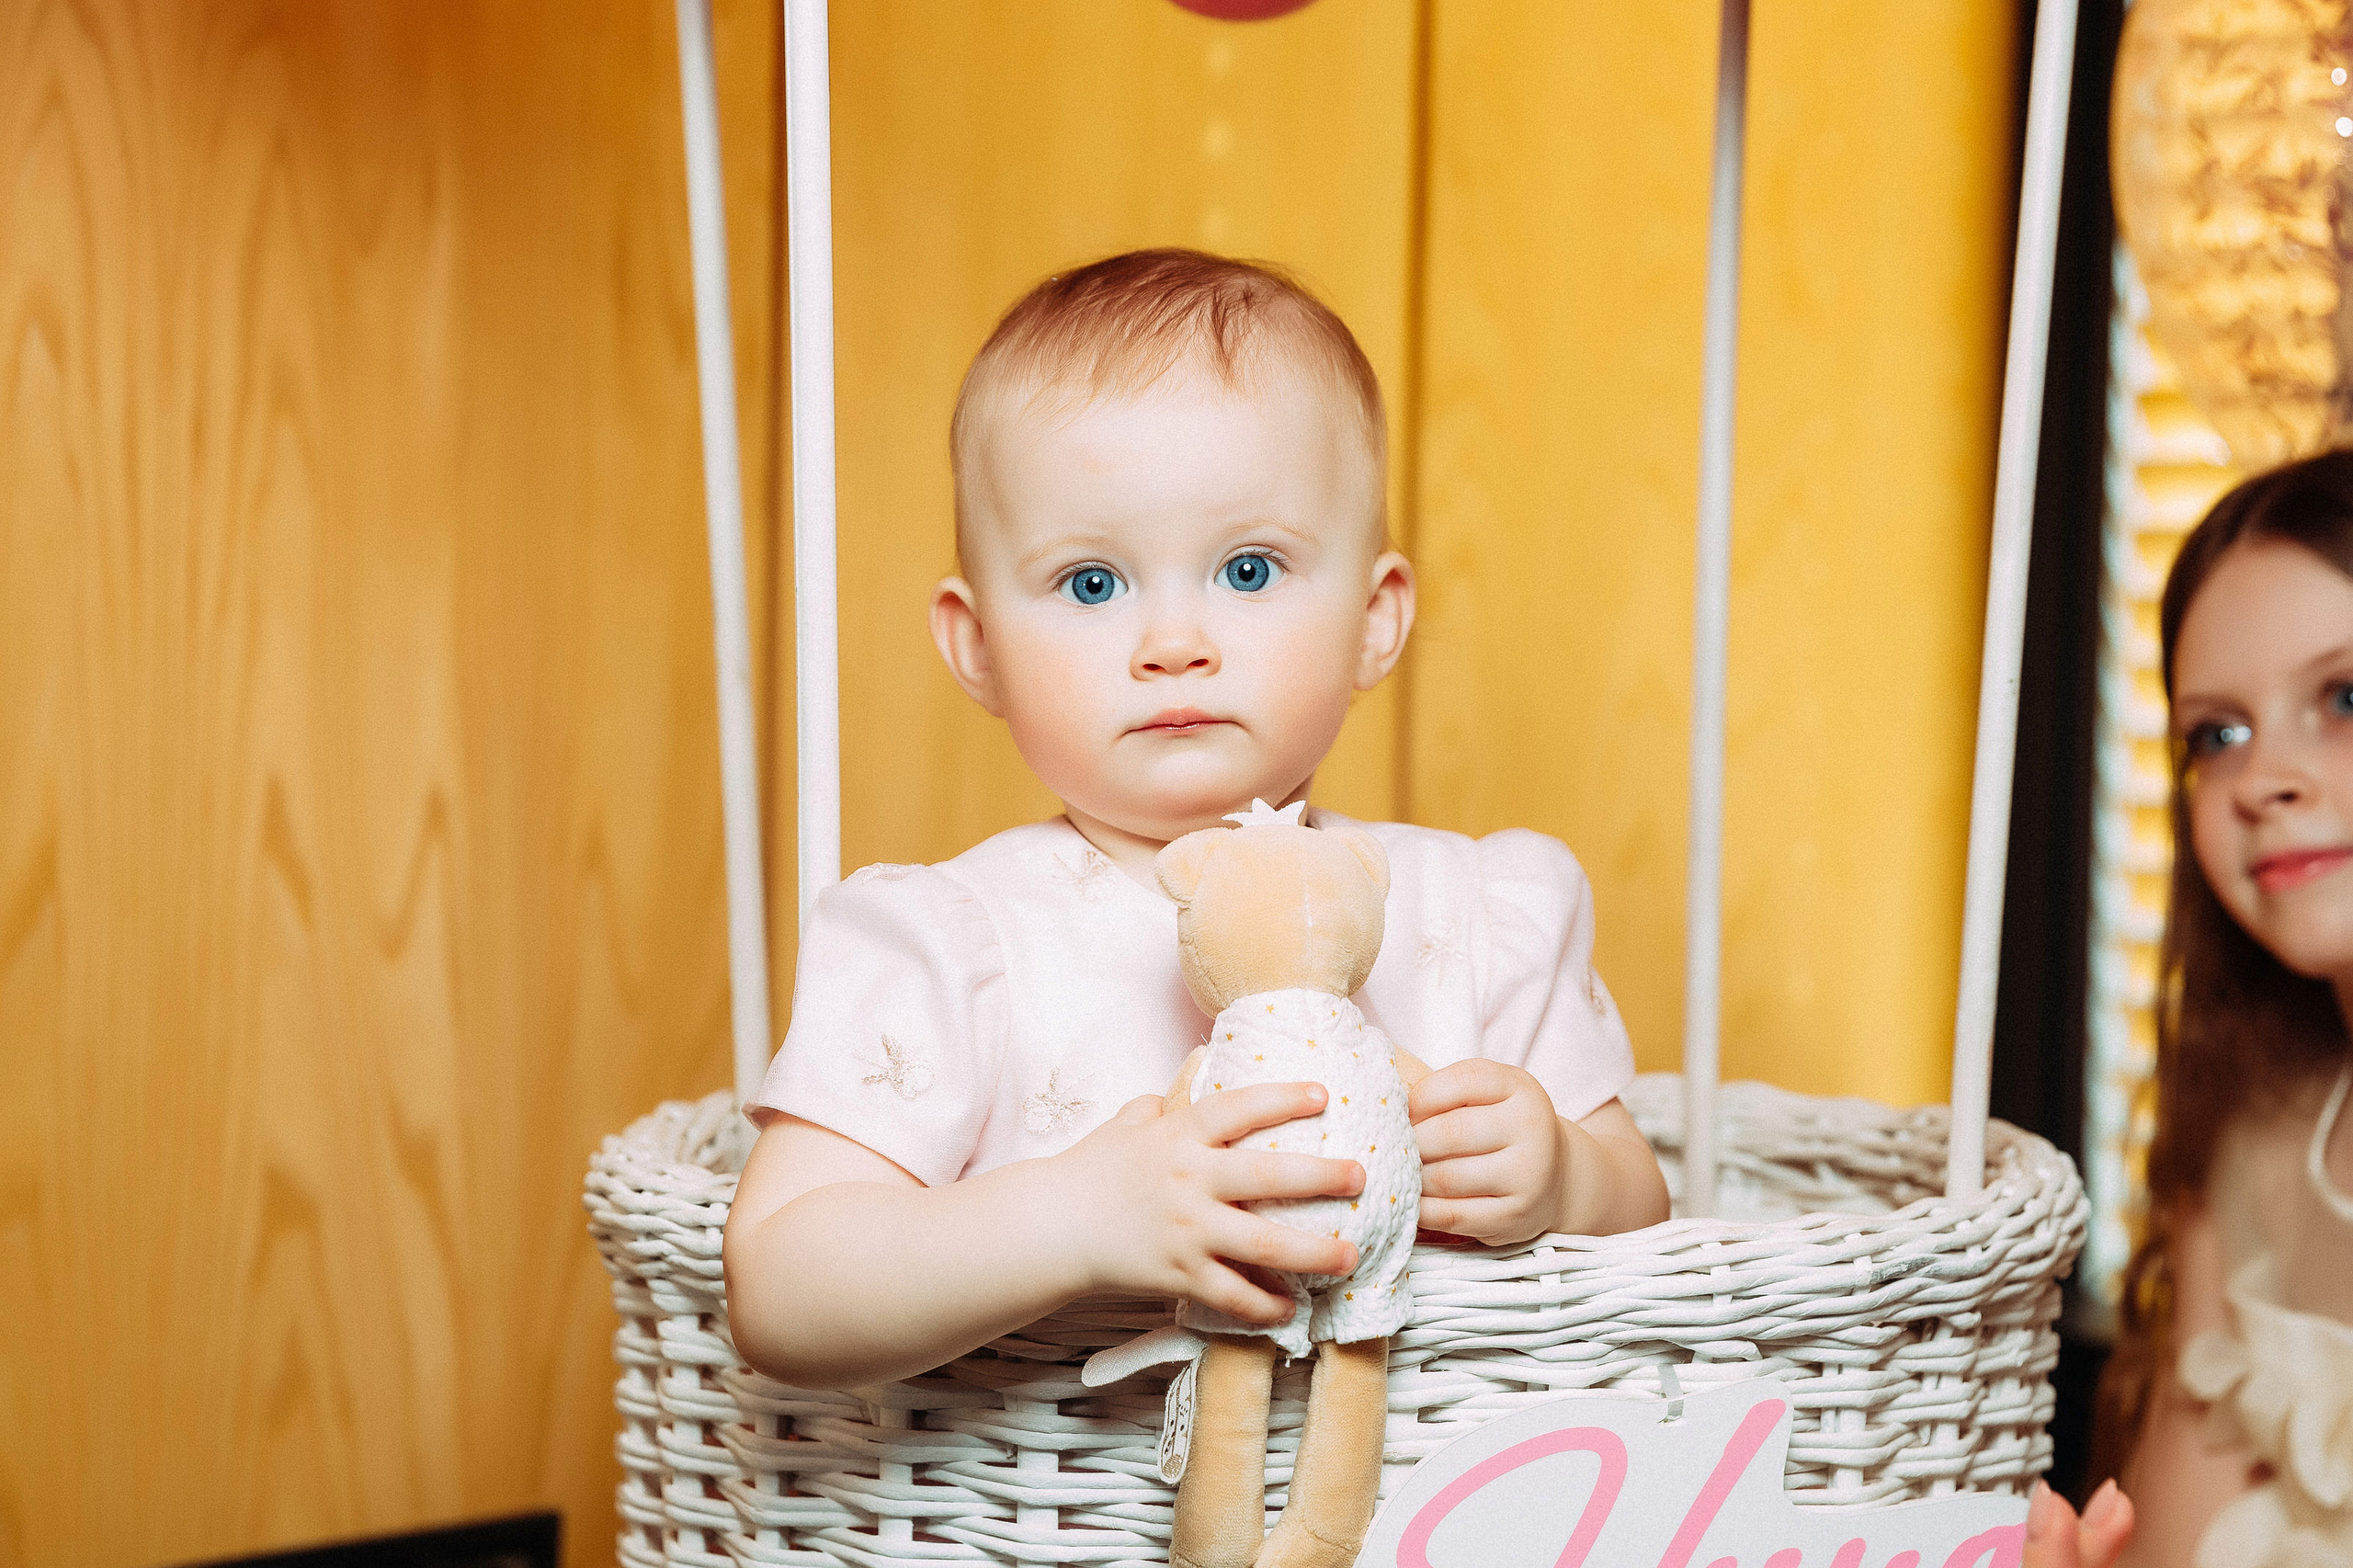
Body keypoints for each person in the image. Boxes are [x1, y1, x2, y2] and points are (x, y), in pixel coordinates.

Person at [722, 249, 1669, 1393]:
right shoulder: (953, 944)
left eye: (1250, 568)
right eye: (1091, 584)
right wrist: (1074, 1216)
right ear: (977, 648)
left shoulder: (1477, 915)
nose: (1175, 638)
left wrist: (1566, 1177)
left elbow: (1643, 1198)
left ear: (1375, 620)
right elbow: (777, 1283)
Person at [2091, 452, 2353, 1567]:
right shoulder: (2252, 1141)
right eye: (2218, 734)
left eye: (2345, 698)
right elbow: (2172, 1533)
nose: (2264, 780)